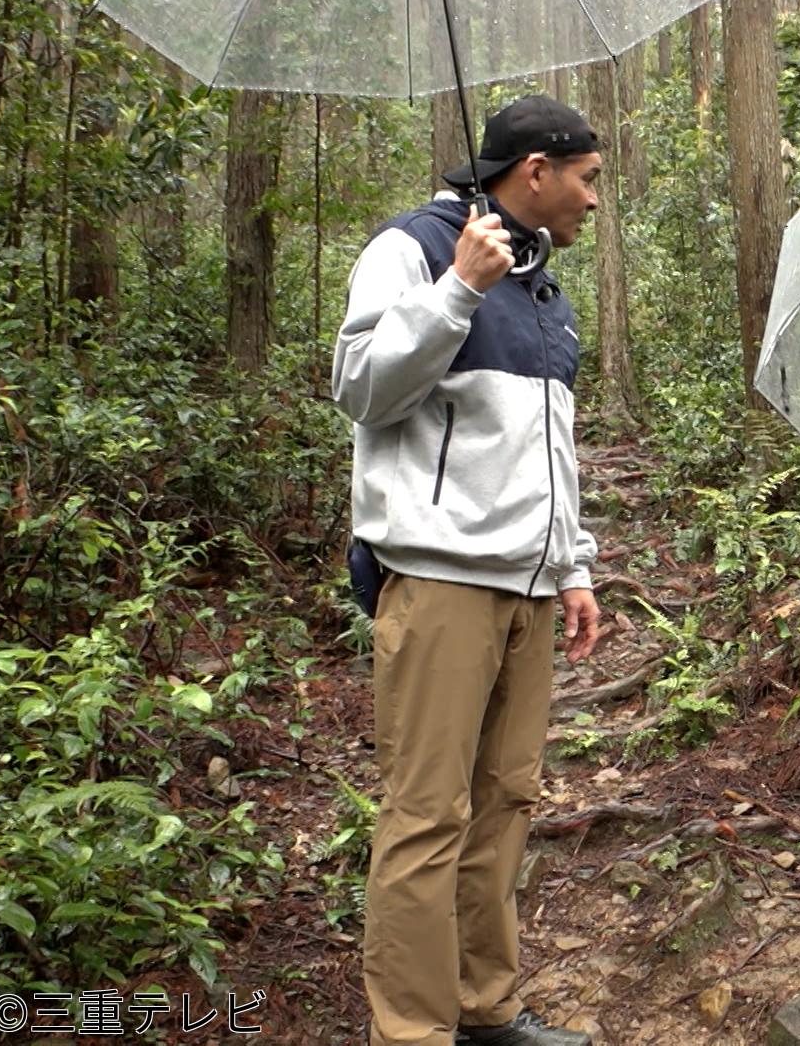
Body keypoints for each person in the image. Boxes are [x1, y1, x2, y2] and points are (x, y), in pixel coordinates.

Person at [332, 95, 603, 1046]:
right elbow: (359, 387)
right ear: (535, 170)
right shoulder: (413, 248)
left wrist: (574, 565)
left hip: (531, 587)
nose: (594, 200)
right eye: (587, 179)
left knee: (506, 804)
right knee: (426, 812)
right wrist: (455, 291)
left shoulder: (542, 288)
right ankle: (411, 1030)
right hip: (442, 580)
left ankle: (486, 1008)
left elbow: (550, 445)